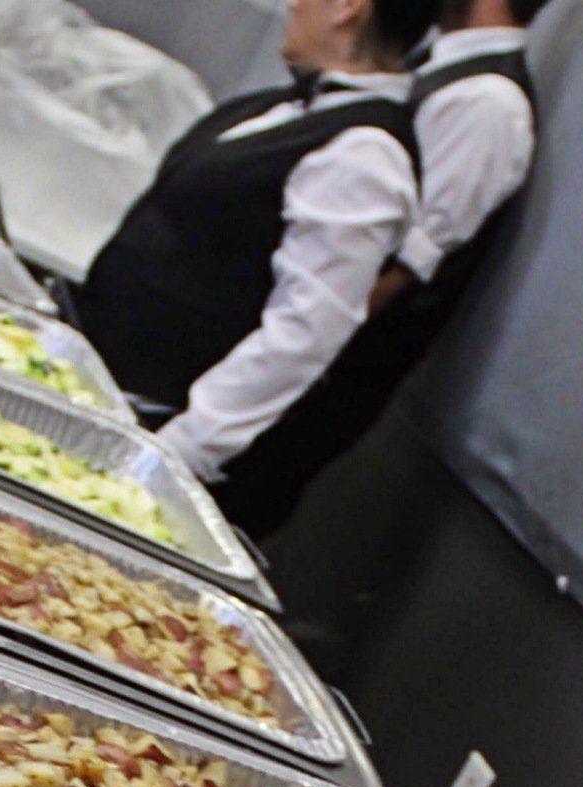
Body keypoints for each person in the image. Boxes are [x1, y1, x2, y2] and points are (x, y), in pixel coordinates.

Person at [75, 0, 440, 497]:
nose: (292, 3)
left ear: (349, 8)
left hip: (144, 418)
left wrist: (174, 454)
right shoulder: (288, 104)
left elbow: (304, 333)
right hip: (92, 374)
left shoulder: (366, 154)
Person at [213, 0, 544, 538]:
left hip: (310, 384)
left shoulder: (488, 104)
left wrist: (281, 356)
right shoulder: (439, 67)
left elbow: (394, 270)